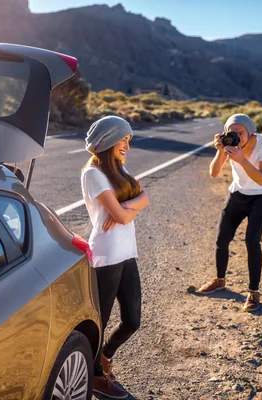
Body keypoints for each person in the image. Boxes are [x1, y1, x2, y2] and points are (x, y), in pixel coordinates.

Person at [81, 116, 150, 399]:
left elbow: (145, 197)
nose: (127, 146)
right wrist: (128, 208)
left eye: (129, 140)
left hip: (126, 252)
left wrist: (125, 205)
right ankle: (95, 374)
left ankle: (105, 357)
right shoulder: (93, 174)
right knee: (101, 320)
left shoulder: (119, 169)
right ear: (109, 140)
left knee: (133, 320)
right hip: (107, 255)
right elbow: (125, 213)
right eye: (123, 139)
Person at [198, 113, 262, 312]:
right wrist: (220, 151)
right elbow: (214, 173)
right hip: (238, 193)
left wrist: (240, 159)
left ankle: (253, 292)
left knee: (252, 241)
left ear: (250, 132)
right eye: (232, 133)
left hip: (261, 195)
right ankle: (219, 280)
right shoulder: (228, 144)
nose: (236, 137)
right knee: (222, 238)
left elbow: (261, 180)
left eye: (241, 133)